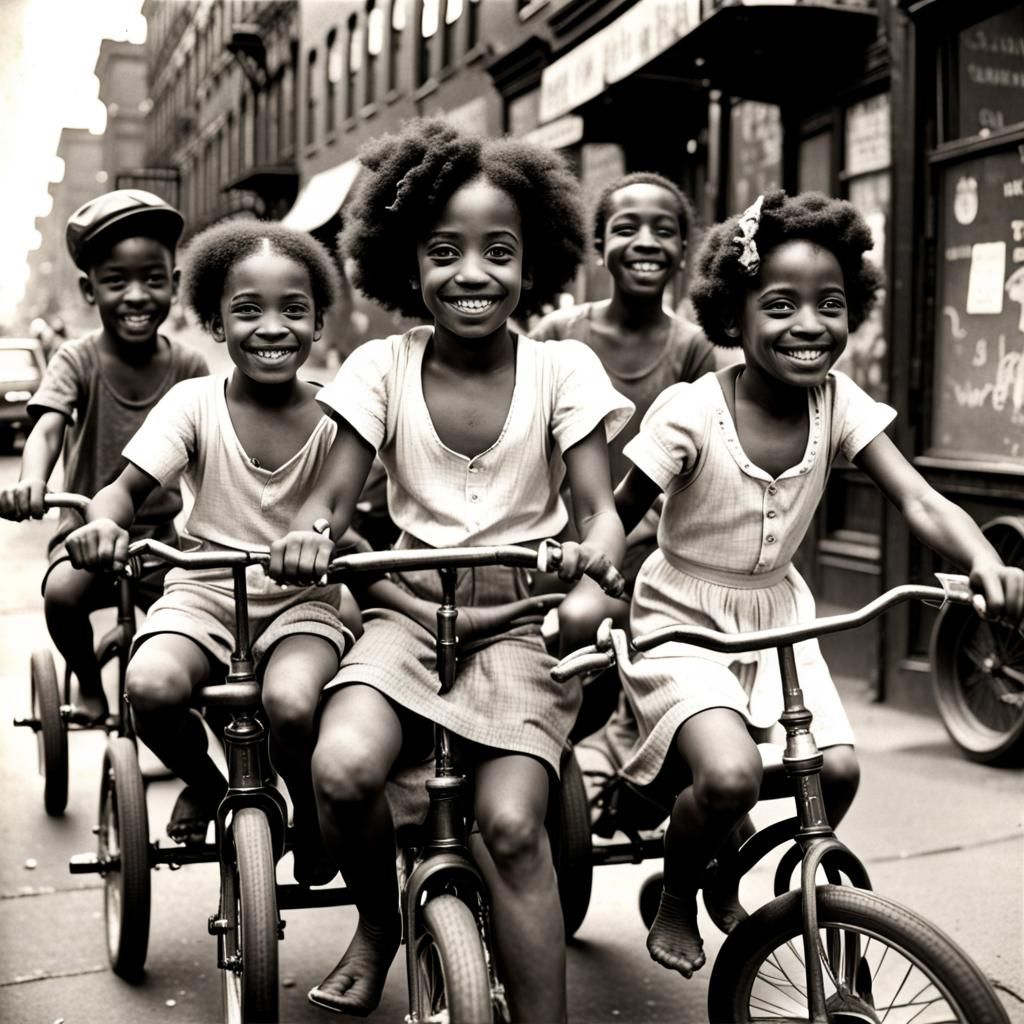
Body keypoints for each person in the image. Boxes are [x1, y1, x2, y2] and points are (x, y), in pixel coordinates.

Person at [269, 117, 633, 1020]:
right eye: (444, 252)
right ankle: (379, 923)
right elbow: (333, 495)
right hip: (406, 613)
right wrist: (312, 533)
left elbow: (601, 511)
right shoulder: (379, 368)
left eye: (497, 252)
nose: (472, 274)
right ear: (406, 261)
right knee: (341, 769)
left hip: (522, 618)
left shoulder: (564, 368)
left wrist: (595, 572)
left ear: (534, 260)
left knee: (514, 827)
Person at [612, 190, 1024, 979]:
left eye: (830, 304)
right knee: (728, 775)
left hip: (777, 615)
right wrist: (588, 566)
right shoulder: (691, 410)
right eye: (781, 305)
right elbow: (618, 513)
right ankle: (676, 893)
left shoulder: (839, 402)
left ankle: (730, 876)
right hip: (683, 618)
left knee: (836, 772)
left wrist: (981, 556)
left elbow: (918, 497)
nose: (809, 324)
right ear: (734, 316)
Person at [62, 221, 355, 885]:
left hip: (301, 602)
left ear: (318, 322)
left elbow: (358, 513)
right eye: (247, 310)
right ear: (216, 324)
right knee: (149, 685)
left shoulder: (343, 416)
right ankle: (209, 779)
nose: (272, 327)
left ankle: (308, 809)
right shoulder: (194, 403)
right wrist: (105, 525)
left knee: (291, 702)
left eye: (294, 310)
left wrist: (323, 545)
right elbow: (123, 491)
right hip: (204, 594)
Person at [0, 190, 208, 724]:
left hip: (164, 543)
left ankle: (187, 713)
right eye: (117, 282)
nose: (137, 296)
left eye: (153, 279)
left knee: (208, 621)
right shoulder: (77, 359)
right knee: (64, 596)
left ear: (176, 285)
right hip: (86, 540)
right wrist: (31, 479)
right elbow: (47, 427)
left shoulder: (188, 364)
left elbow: (220, 440)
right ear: (89, 290)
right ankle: (89, 685)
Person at [533, 172, 718, 742]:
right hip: (551, 544)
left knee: (591, 623)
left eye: (664, 231)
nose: (645, 241)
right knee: (569, 635)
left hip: (652, 553)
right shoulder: (557, 333)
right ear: (599, 245)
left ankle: (621, 747)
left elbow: (708, 461)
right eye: (626, 227)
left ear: (683, 251)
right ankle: (556, 755)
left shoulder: (694, 348)